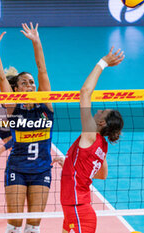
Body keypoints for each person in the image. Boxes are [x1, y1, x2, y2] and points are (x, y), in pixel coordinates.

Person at [52, 47, 125, 233]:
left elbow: (85, 92)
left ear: (101, 122)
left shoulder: (91, 134)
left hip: (78, 210)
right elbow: (101, 174)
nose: (97, 110)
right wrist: (70, 164)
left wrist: (103, 62)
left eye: (102, 111)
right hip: (75, 208)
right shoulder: (102, 145)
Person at [0, 23, 53, 233]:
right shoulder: (12, 107)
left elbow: (42, 69)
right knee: (15, 224)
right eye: (24, 83)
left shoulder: (46, 104)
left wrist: (37, 42)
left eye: (32, 83)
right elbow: (0, 77)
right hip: (17, 169)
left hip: (42, 170)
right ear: (16, 89)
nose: (30, 86)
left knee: (33, 226)